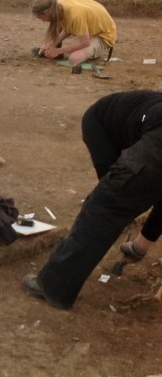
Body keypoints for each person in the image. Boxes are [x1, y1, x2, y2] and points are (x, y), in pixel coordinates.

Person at [23, 90, 162, 309]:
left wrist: (114, 198)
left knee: (104, 207)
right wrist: (140, 247)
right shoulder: (131, 115)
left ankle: (53, 287)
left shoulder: (94, 121)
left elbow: (109, 183)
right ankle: (138, 247)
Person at [30, 0, 117, 66]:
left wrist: (58, 51)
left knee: (74, 59)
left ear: (45, 12)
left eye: (41, 18)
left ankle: (95, 53)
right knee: (71, 50)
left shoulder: (75, 15)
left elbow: (85, 42)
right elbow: (68, 29)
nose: (43, 21)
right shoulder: (58, 6)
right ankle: (90, 51)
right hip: (92, 30)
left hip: (104, 35)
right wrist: (51, 45)